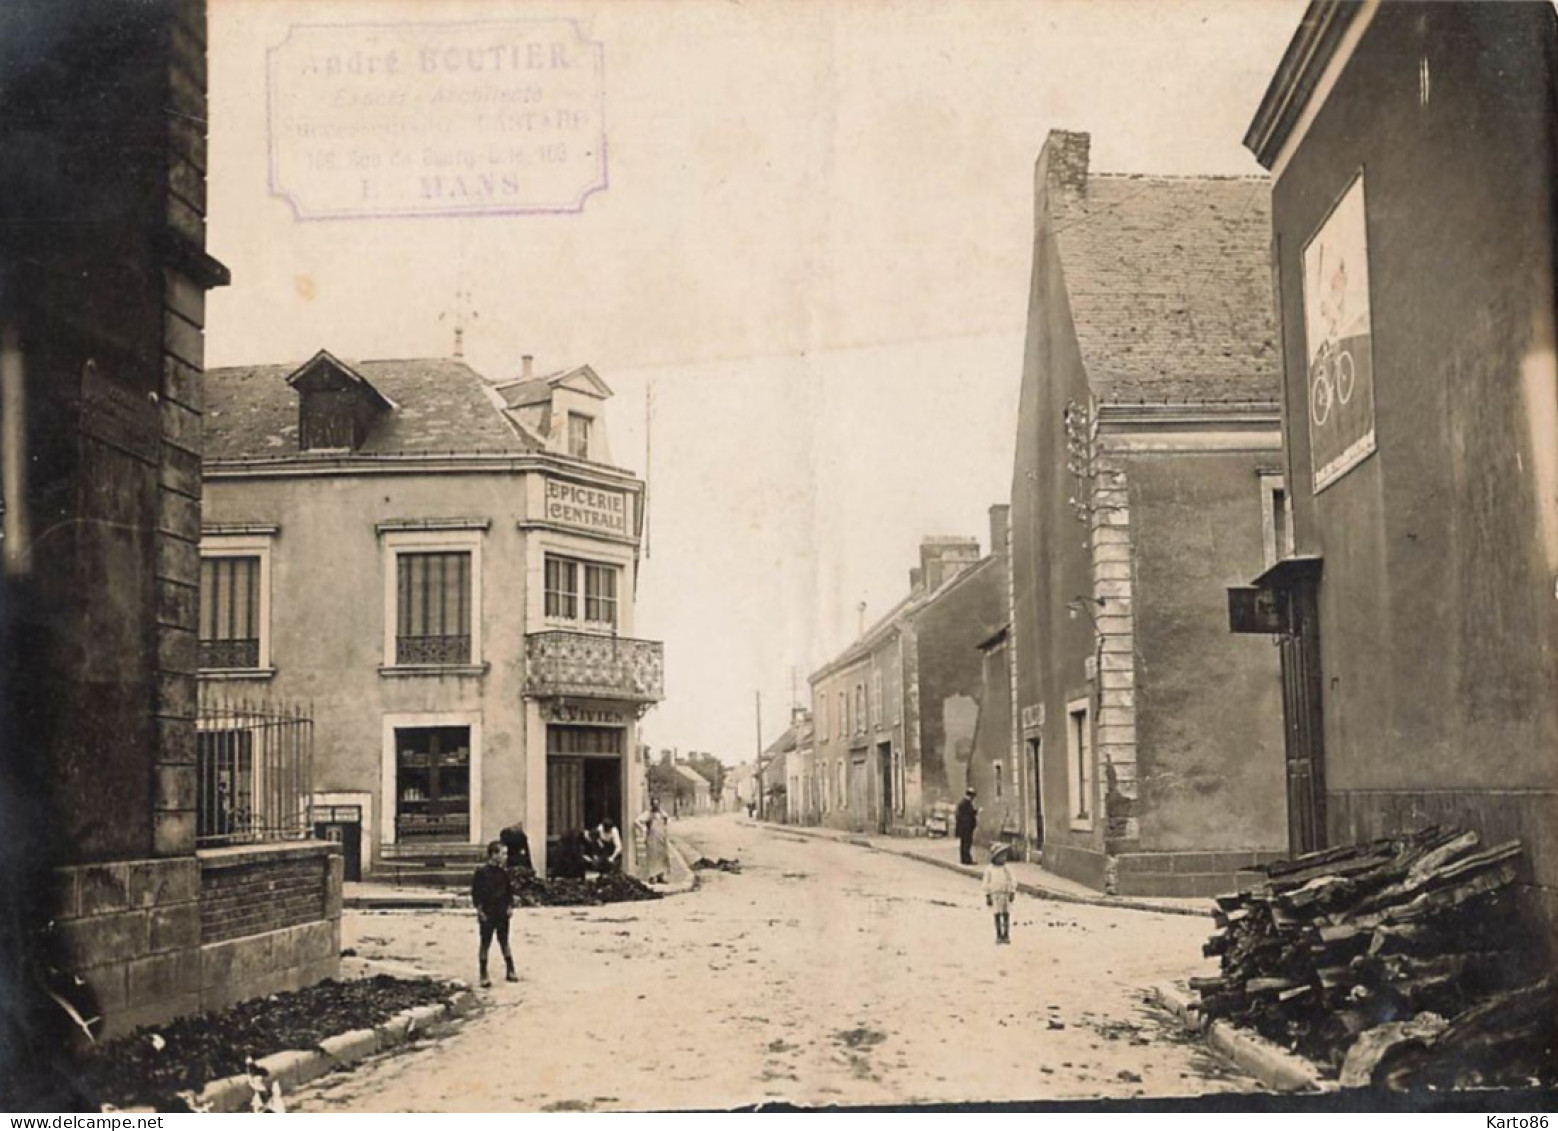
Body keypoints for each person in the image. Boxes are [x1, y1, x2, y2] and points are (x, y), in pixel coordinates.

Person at [470, 840, 518, 988]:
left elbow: (509, 892)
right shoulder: (481, 872)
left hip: (502, 912)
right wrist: (479, 910)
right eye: (503, 853)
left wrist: (510, 906)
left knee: (504, 941)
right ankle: (483, 973)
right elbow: (475, 893)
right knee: (485, 943)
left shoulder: (504, 873)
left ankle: (510, 969)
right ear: (494, 854)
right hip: (488, 911)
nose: (506, 857)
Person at [982, 843, 1018, 944]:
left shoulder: (1006, 869)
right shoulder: (990, 869)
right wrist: (988, 895)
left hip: (1005, 894)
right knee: (997, 914)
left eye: (1005, 856)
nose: (1004, 858)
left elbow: (1012, 880)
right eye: (1001, 856)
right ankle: (999, 935)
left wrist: (1012, 892)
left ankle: (1006, 934)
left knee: (1006, 914)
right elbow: (986, 882)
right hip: (995, 894)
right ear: (995, 857)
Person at [637, 797, 670, 883]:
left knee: (662, 857)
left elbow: (667, 821)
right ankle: (652, 877)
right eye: (654, 804)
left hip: (661, 839)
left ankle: (660, 876)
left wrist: (666, 829)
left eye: (657, 803)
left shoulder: (662, 813)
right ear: (652, 804)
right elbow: (637, 821)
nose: (656, 805)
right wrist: (643, 828)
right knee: (652, 858)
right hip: (652, 838)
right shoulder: (648, 814)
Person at [955, 787, 979, 865]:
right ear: (970, 795)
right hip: (966, 828)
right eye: (973, 796)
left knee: (964, 843)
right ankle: (967, 860)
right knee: (967, 843)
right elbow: (969, 814)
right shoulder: (966, 803)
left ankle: (964, 859)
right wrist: (977, 812)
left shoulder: (963, 802)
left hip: (964, 828)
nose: (973, 798)